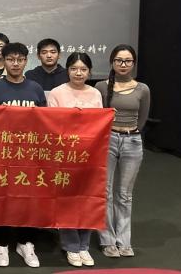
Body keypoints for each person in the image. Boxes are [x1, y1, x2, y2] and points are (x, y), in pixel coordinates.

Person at [0, 42, 45, 268]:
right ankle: (1, 243)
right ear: (4, 61)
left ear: (26, 61)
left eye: (20, 59)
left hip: (29, 155)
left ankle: (26, 242)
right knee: (2, 199)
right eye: (10, 59)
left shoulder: (36, 89)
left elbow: (46, 122)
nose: (15, 64)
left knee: (29, 200)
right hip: (2, 155)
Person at [47, 52, 103, 268]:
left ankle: (84, 245)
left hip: (90, 155)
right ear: (67, 70)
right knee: (68, 200)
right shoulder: (56, 93)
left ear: (89, 72)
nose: (78, 73)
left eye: (83, 69)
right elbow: (52, 125)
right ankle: (71, 245)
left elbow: (99, 124)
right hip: (65, 156)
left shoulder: (95, 93)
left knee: (88, 199)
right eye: (74, 69)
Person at [95, 44, 150, 258]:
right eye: (119, 60)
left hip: (132, 141)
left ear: (133, 63)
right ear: (112, 62)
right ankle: (107, 240)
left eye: (127, 60)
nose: (123, 64)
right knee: (105, 192)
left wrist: (131, 133)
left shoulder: (142, 89)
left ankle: (124, 241)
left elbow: (143, 118)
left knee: (125, 195)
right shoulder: (101, 86)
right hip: (108, 140)